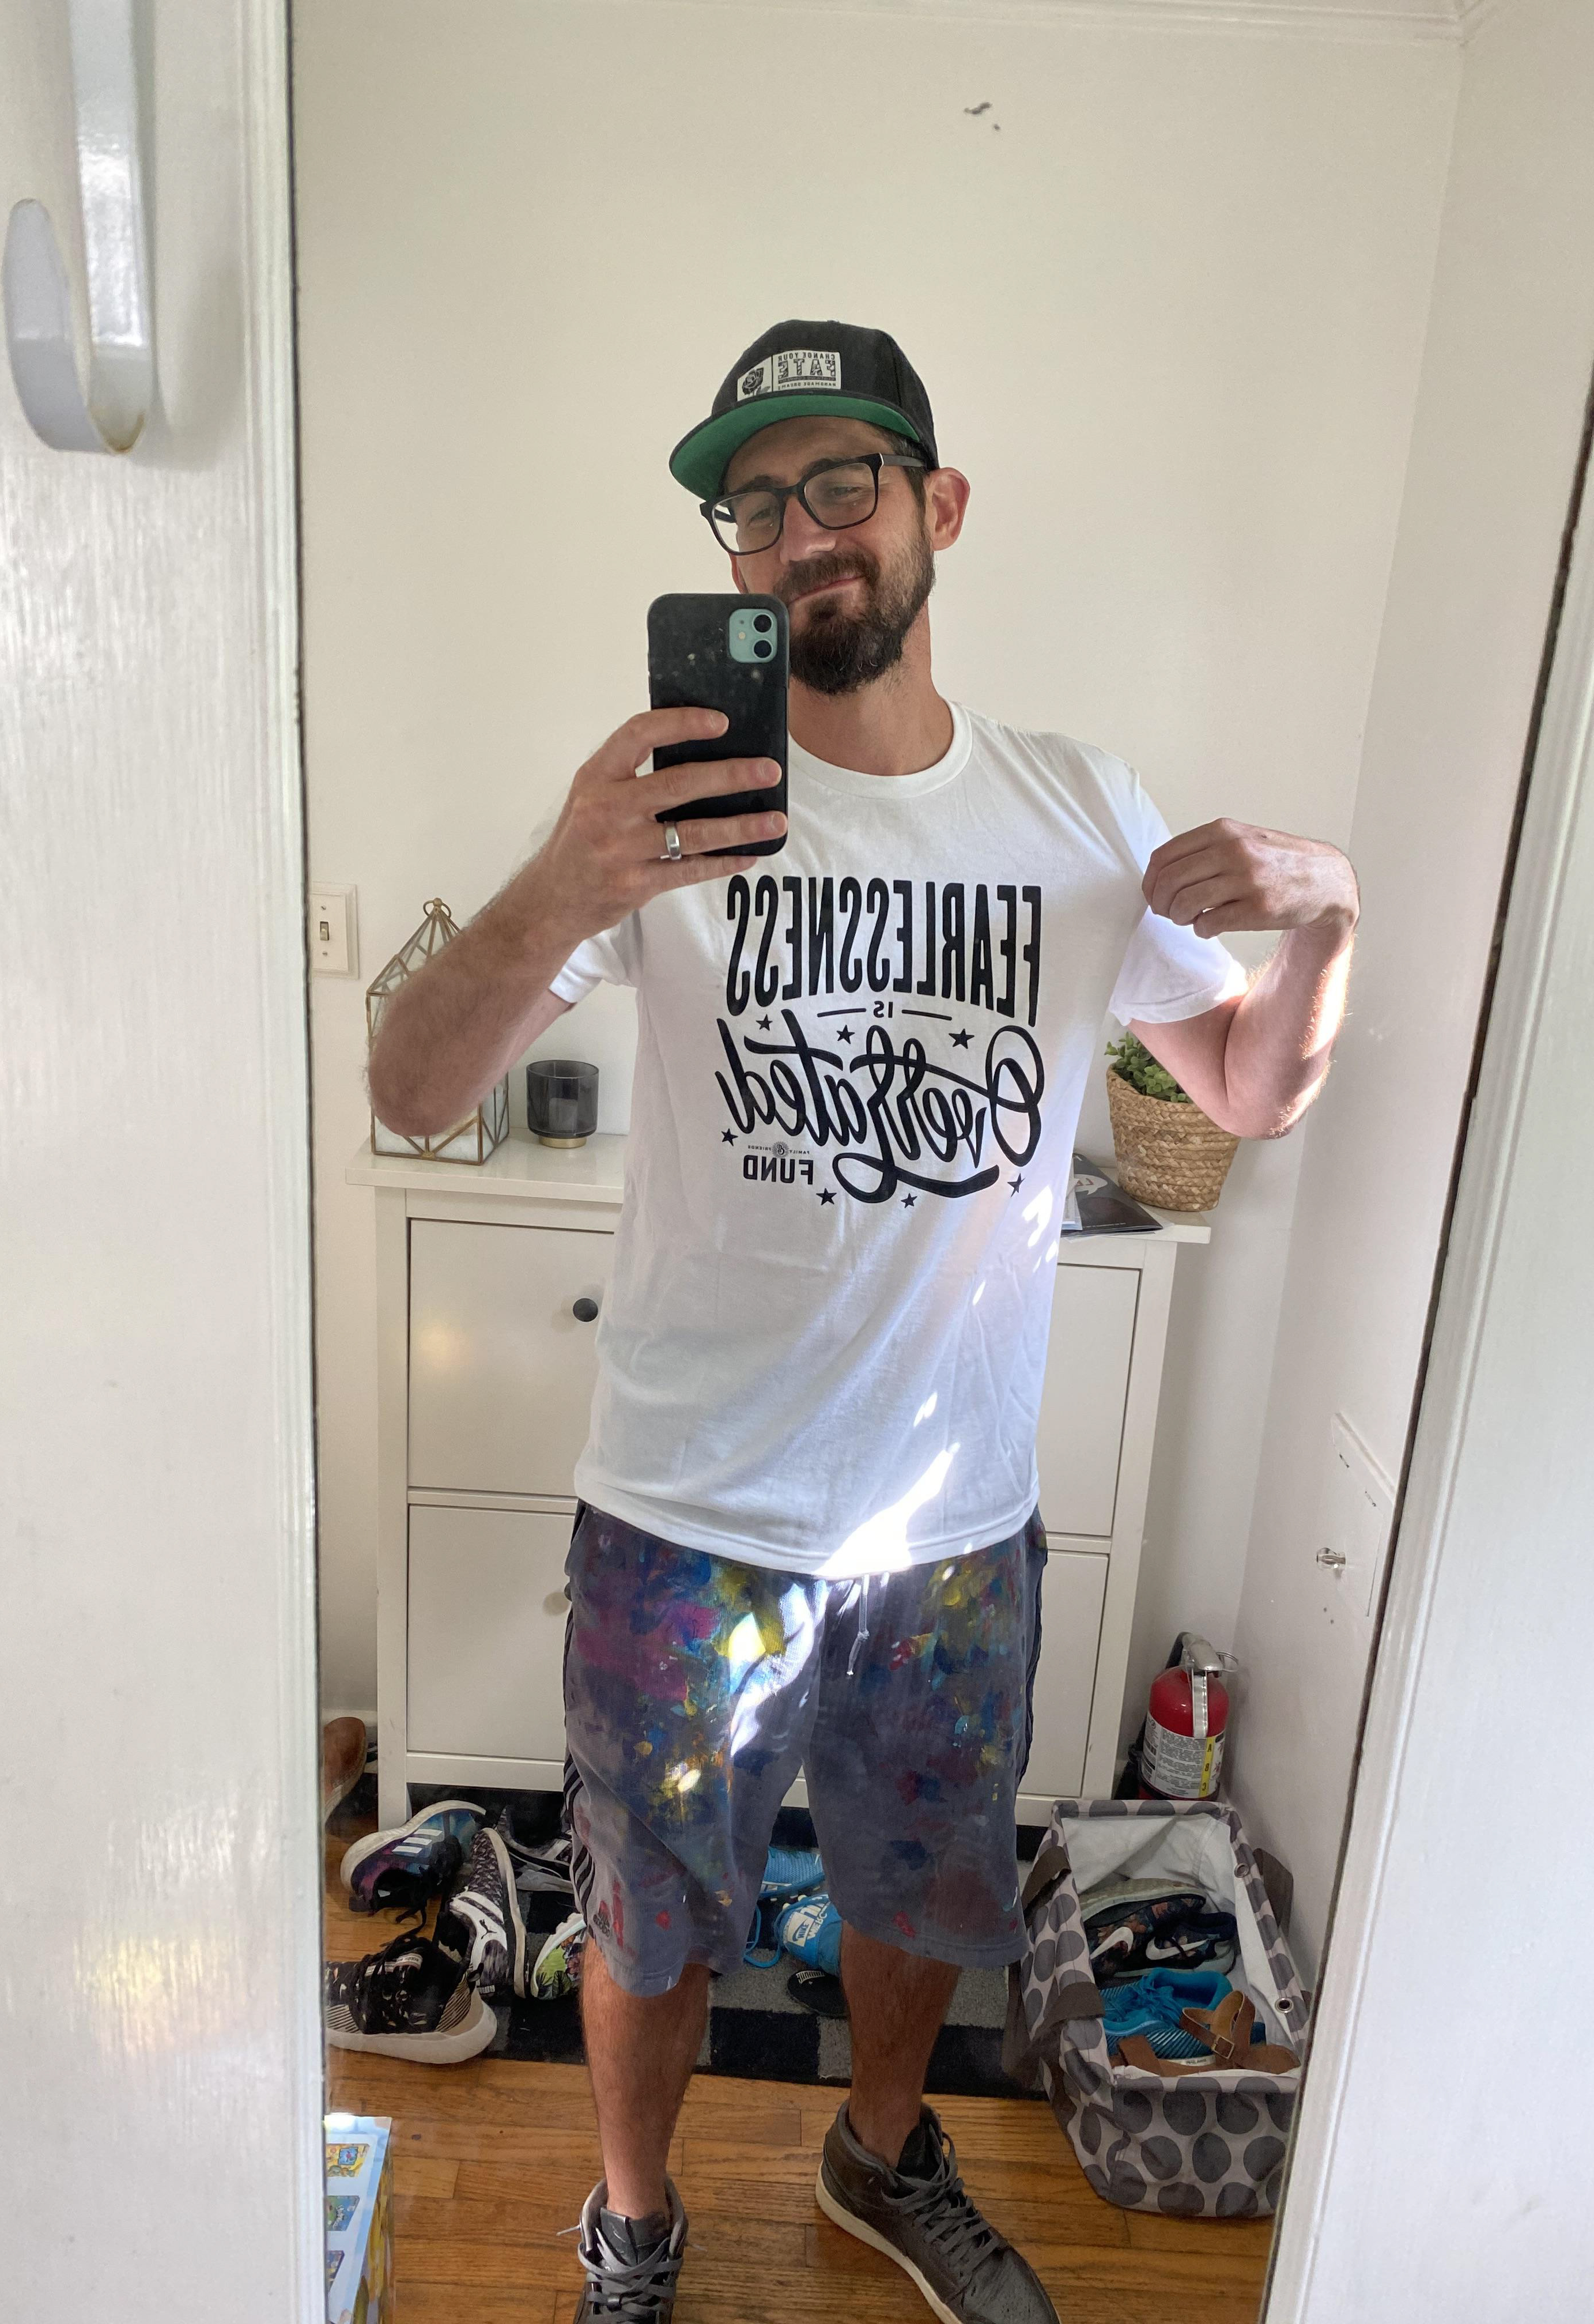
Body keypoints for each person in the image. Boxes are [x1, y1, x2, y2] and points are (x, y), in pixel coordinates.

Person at [368, 320, 1359, 2324]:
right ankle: (634, 2215)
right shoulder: (660, 815)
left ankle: (882, 2153)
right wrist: (562, 882)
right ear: (730, 559)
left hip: (952, 1523)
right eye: (755, 503)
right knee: (649, 1918)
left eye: (843, 482)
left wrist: (1329, 910)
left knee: (926, 1892)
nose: (801, 531)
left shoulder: (1077, 812)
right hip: (683, 1511)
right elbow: (407, 1087)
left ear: (938, 509)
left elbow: (1250, 1089)